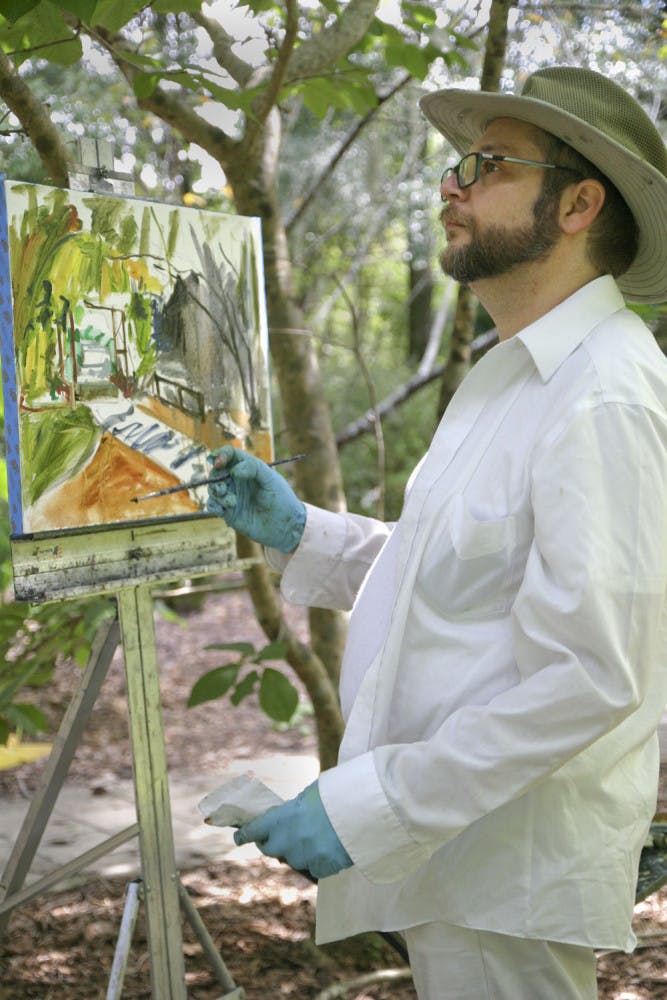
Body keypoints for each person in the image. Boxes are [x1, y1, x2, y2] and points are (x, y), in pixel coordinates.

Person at [206, 67, 667, 999]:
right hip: (462, 858)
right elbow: (466, 577)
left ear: (578, 203)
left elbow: (589, 673)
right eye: (461, 162)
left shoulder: (606, 394)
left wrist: (374, 805)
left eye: (486, 165)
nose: (449, 185)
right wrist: (306, 534)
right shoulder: (511, 375)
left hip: (510, 868)